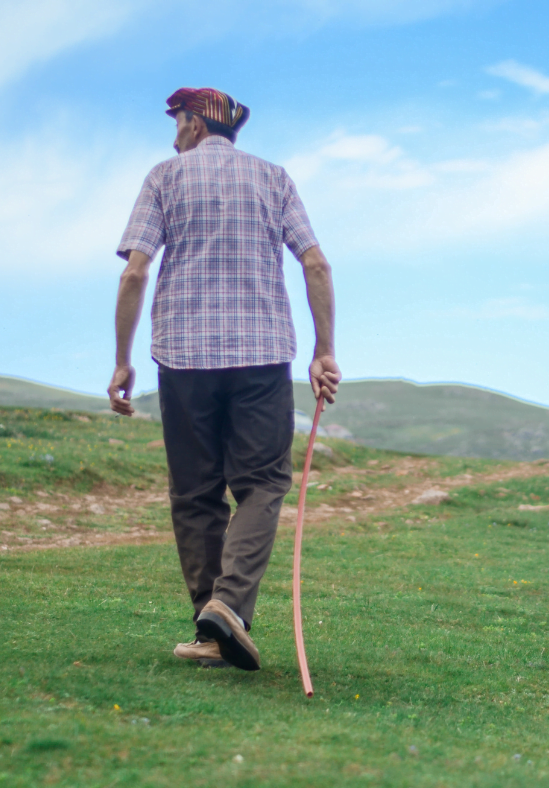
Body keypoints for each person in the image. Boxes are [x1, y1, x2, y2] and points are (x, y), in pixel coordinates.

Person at [107, 87, 341, 671]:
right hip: (261, 357)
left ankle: (216, 621)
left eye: (176, 123)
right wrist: (324, 351)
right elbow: (315, 262)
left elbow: (135, 273)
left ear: (192, 124)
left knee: (194, 495)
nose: (173, 135)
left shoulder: (164, 177)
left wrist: (122, 359)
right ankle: (226, 612)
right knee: (262, 484)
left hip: (182, 359)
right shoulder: (274, 178)